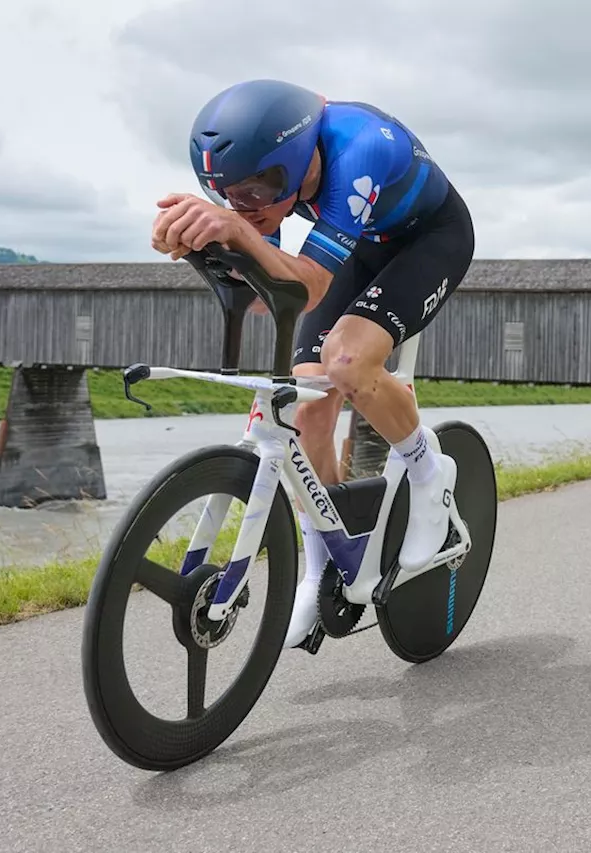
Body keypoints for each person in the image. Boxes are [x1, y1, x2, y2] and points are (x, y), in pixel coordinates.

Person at [151, 78, 476, 650]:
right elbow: (260, 295)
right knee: (304, 405)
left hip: (431, 239)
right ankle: (324, 558)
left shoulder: (360, 147)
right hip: (362, 241)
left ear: (297, 161)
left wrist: (237, 232)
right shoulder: (269, 175)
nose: (247, 204)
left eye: (257, 190)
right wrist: (202, 246)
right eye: (229, 194)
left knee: (348, 362)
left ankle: (429, 471)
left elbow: (312, 281)